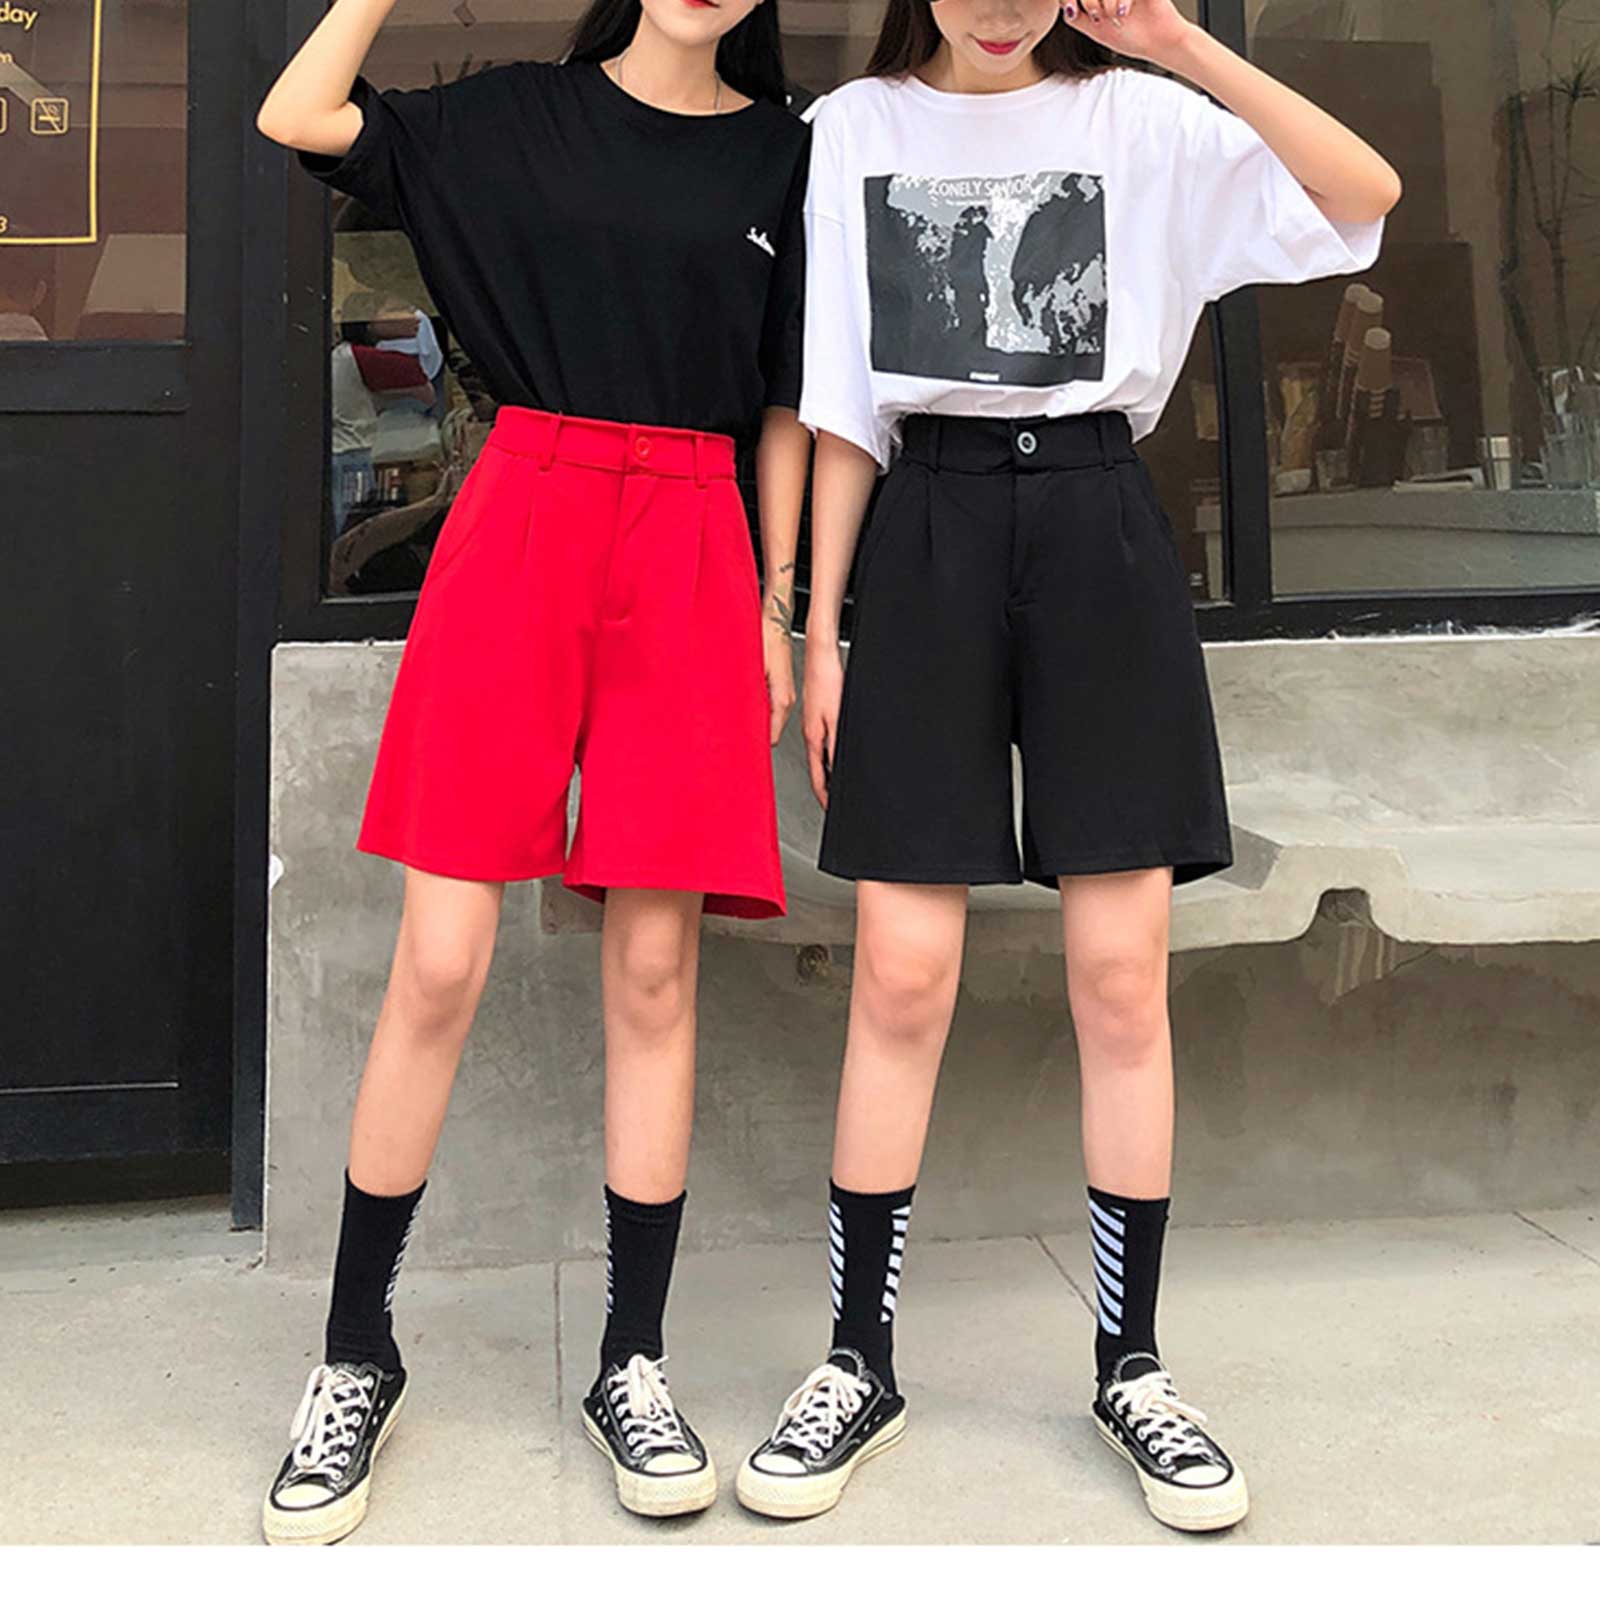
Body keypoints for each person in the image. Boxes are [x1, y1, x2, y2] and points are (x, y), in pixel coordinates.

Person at [735, 0, 1398, 1533]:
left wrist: (1185, 47)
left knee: (1119, 974)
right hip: (927, 534)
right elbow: (841, 400)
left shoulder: (1146, 121)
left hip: (1100, 523)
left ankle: (1131, 1365)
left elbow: (1363, 193)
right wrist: (821, 629)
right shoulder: (853, 132)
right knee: (902, 972)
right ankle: (857, 1362)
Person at [255, 0, 810, 1543]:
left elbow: (786, 396)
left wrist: (779, 605)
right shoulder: (510, 116)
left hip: (695, 536)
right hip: (525, 512)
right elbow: (299, 117)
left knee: (656, 969)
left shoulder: (789, 155)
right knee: (441, 955)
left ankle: (633, 1360)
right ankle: (355, 1353)